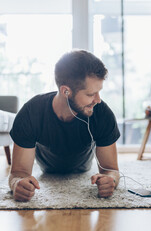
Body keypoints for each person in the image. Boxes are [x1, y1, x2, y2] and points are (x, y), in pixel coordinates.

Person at [8, 49, 121, 202]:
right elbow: (18, 173)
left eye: (98, 92)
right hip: (47, 169)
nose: (98, 100)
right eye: (90, 94)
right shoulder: (31, 112)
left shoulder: (102, 113)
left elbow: (111, 170)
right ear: (66, 91)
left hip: (83, 167)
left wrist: (111, 181)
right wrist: (17, 184)